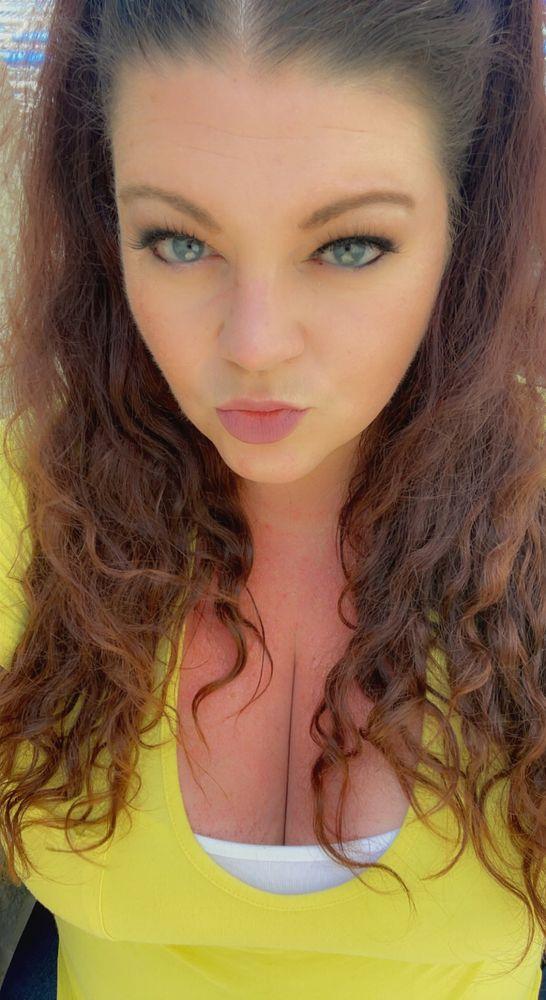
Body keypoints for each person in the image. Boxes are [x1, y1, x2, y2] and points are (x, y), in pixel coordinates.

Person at [0, 1, 544, 998]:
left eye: (350, 246)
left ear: (467, 229)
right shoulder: (25, 507)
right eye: (177, 241)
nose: (254, 345)